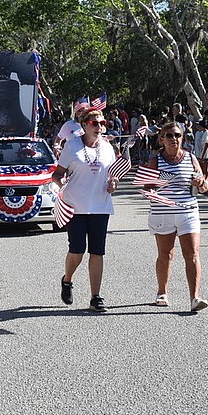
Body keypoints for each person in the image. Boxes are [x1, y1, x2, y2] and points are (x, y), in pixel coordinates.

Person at [52, 108, 118, 313]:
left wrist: (113, 184)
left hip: (100, 206)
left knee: (97, 252)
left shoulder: (108, 148)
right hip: (76, 206)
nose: (99, 127)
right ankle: (67, 279)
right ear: (84, 125)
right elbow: (58, 174)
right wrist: (59, 183)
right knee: (77, 250)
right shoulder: (71, 146)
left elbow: (112, 176)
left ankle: (95, 297)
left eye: (102, 123)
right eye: (94, 123)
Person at [144, 121, 208, 311]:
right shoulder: (156, 160)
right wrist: (163, 179)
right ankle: (162, 291)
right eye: (170, 135)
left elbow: (204, 188)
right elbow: (147, 186)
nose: (174, 139)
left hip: (188, 211)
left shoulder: (190, 158)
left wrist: (200, 182)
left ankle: (194, 298)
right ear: (162, 139)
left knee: (192, 254)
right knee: (166, 255)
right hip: (163, 212)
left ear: (183, 138)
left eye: (178, 135)